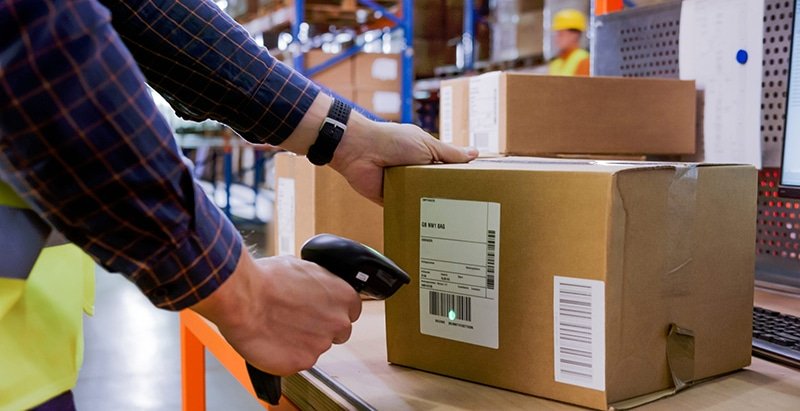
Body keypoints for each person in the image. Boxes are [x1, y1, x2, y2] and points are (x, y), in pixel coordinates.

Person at [0, 0, 478, 409]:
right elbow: (35, 50)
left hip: (27, 358)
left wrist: (342, 133)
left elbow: (144, 11)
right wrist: (244, 296)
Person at [548, 9, 591, 76]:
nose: (556, 38)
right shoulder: (555, 62)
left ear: (575, 35)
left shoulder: (584, 60)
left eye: (561, 34)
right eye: (556, 34)